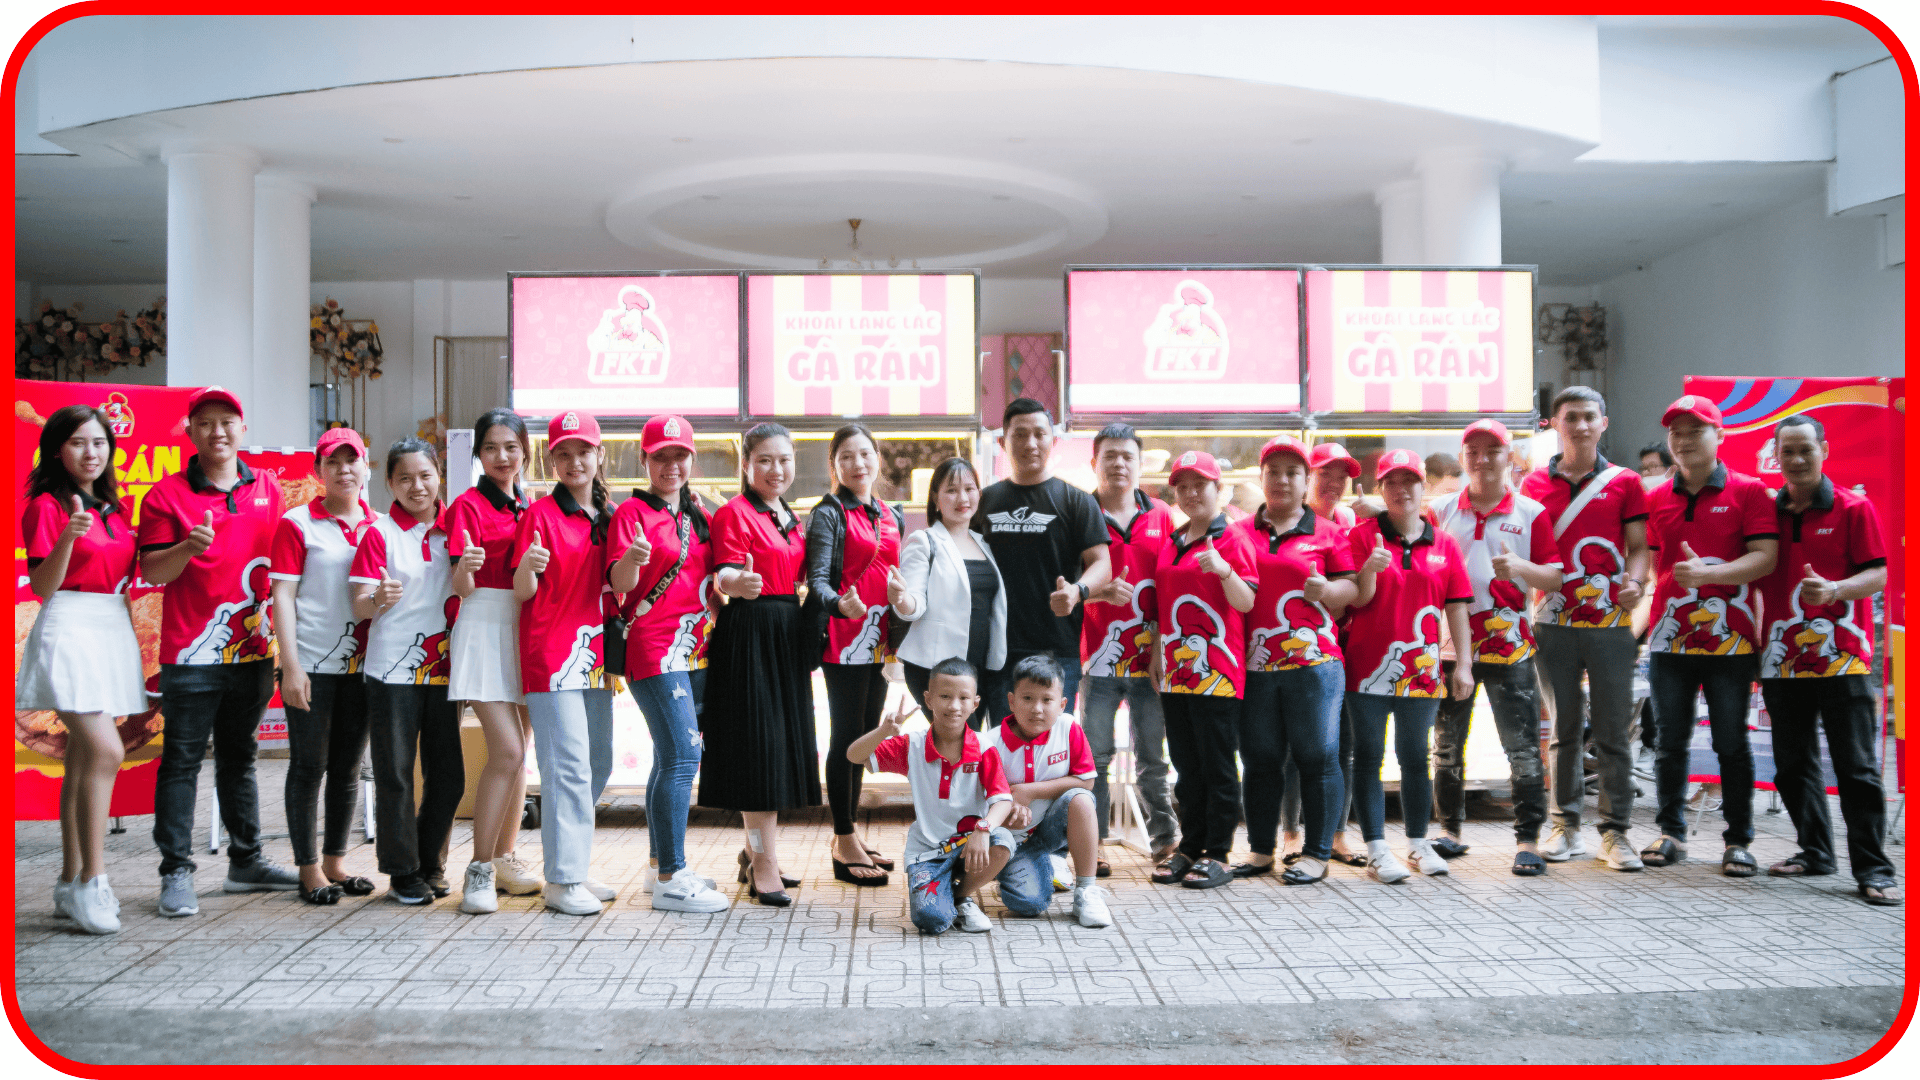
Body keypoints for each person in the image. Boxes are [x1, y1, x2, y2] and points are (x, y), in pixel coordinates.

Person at [137, 386, 298, 916]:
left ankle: (245, 862)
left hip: (253, 650)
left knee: (240, 758)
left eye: (227, 421)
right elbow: (152, 571)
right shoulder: (165, 495)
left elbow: (285, 567)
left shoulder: (267, 487)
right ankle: (175, 872)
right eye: (205, 422)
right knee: (182, 761)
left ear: (242, 429)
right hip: (189, 655)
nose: (218, 431)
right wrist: (187, 547)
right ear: (191, 432)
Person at [1755, 414, 1896, 905]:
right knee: (1792, 766)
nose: (1796, 460)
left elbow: (1878, 574)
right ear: (1775, 456)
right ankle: (1815, 852)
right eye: (1787, 451)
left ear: (1824, 451)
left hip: (1844, 660)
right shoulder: (1764, 514)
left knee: (1856, 768)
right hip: (1780, 659)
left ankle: (1874, 870)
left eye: (1806, 450)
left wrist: (1836, 589)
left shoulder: (1855, 507)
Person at [18, 405, 147, 933]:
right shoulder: (47, 506)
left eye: (99, 442)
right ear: (56, 450)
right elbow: (42, 587)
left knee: (81, 757)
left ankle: (70, 881)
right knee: (106, 750)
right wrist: (69, 536)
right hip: (68, 627)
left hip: (110, 628)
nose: (91, 452)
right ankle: (94, 880)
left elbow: (130, 574)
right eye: (77, 442)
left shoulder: (115, 507)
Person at [1640, 395, 1778, 875]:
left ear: (1720, 436)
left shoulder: (1750, 492)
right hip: (1668, 640)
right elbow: (1654, 565)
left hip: (1732, 642)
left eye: (1695, 430)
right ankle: (1670, 833)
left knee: (1731, 743)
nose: (1683, 440)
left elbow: (1766, 558)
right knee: (1669, 742)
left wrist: (1709, 577)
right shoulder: (1655, 497)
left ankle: (1738, 840)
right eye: (1675, 432)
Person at [1520, 387, 1651, 872]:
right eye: (1570, 417)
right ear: (1555, 424)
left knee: (1615, 729)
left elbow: (1640, 546)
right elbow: (1526, 550)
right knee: (1563, 729)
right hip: (1551, 623)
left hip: (1611, 624)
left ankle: (1616, 833)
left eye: (1589, 417)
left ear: (1603, 423)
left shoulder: (1626, 483)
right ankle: (1564, 826)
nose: (1580, 425)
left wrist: (1635, 582)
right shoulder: (1533, 484)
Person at [1430, 420, 1565, 876]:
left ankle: (1528, 840)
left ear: (1510, 457)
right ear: (1462, 457)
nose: (1483, 459)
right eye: (1473, 451)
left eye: (1493, 450)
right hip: (1451, 648)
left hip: (1512, 648)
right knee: (1447, 747)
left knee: (1522, 749)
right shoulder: (1440, 510)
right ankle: (1450, 832)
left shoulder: (1531, 512)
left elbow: (1555, 577)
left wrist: (1521, 568)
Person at [606, 413, 728, 914]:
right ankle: (672, 877)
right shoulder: (630, 513)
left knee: (667, 756)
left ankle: (661, 864)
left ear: (692, 459)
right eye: (661, 456)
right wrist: (633, 560)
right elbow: (618, 585)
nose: (671, 465)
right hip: (653, 648)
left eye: (680, 456)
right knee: (683, 757)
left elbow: (711, 583)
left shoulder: (700, 514)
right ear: (645, 460)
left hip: (696, 649)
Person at [1229, 435, 1359, 886]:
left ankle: (1318, 853)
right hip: (1254, 665)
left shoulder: (1328, 533)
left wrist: (1329, 590)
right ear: (1261, 478)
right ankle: (1261, 851)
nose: (1282, 480)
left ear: (1306, 481)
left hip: (1315, 666)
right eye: (1274, 472)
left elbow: (1351, 589)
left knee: (1318, 756)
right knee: (1260, 759)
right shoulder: (1237, 532)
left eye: (1292, 473)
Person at [1343, 448, 1475, 884]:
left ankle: (1418, 843)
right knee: (1368, 756)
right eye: (1392, 482)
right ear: (1381, 489)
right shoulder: (1361, 536)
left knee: (1416, 756)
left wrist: (1463, 664)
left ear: (1424, 486)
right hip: (1365, 668)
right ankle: (1376, 849)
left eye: (1410, 481)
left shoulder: (1445, 543)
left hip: (1422, 671)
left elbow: (1457, 607)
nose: (1401, 490)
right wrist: (1369, 570)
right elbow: (1354, 600)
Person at [701, 422, 819, 907]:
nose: (776, 469)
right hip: (749, 632)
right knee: (759, 750)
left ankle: (756, 854)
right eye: (765, 460)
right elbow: (724, 573)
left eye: (784, 460)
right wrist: (737, 583)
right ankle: (763, 863)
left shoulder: (791, 516)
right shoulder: (733, 513)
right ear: (746, 465)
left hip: (786, 632)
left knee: (779, 747)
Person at [512, 411, 622, 915]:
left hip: (596, 657)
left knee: (598, 761)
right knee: (568, 765)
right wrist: (528, 568)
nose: (574, 462)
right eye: (563, 453)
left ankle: (573, 861)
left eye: (583, 452)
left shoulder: (611, 515)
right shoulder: (538, 515)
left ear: (599, 456)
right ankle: (562, 879)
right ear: (550, 460)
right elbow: (521, 591)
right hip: (552, 655)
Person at [349, 438, 463, 904]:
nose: (417, 487)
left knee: (449, 775)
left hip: (446, 670)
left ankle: (430, 861)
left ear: (439, 476)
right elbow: (359, 604)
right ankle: (402, 872)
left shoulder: (457, 527)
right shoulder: (379, 533)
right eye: (405, 479)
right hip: (391, 671)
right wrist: (377, 598)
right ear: (390, 484)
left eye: (425, 476)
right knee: (395, 774)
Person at [269, 427, 379, 906]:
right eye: (332, 462)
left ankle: (336, 861)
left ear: (366, 467)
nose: (343, 470)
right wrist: (291, 666)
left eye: (351, 460)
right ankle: (308, 867)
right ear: (318, 471)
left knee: (348, 767)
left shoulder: (380, 525)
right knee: (309, 765)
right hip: (311, 664)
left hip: (364, 667)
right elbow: (282, 595)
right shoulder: (297, 524)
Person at [446, 409, 544, 913]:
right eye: (490, 448)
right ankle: (478, 869)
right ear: (478, 454)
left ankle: (505, 859)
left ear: (525, 450)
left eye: (511, 447)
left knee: (521, 752)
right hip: (484, 623)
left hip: (526, 623)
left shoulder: (530, 504)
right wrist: (465, 567)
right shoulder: (466, 505)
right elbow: (460, 586)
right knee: (506, 751)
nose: (502, 456)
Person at [1148, 450, 1258, 891]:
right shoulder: (1173, 540)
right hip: (1177, 671)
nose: (1191, 493)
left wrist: (1225, 570)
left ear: (1219, 489)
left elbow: (1247, 602)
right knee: (1186, 765)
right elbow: (1163, 603)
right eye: (1183, 487)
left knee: (1217, 766)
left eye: (1201, 485)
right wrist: (1157, 653)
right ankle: (1190, 847)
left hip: (1219, 674)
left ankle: (1218, 852)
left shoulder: (1232, 539)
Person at [804, 423, 905, 887]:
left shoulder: (890, 513)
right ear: (834, 465)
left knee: (865, 738)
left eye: (864, 454)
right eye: (846, 456)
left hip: (881, 641)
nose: (857, 464)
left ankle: (852, 834)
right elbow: (818, 579)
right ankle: (843, 838)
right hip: (844, 638)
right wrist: (837, 604)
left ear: (876, 458)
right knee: (846, 736)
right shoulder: (829, 513)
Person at [847, 659, 1017, 934]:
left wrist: (983, 828)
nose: (954, 706)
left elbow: (1003, 799)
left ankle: (961, 896)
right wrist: (883, 731)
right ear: (928, 699)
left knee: (1003, 842)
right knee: (931, 920)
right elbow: (854, 756)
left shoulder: (984, 747)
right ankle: (945, 894)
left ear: (975, 703)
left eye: (963, 698)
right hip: (927, 852)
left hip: (970, 843)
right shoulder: (911, 745)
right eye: (945, 696)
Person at [1077, 422, 1178, 872]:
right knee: (1094, 759)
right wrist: (1097, 594)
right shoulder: (1080, 513)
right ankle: (1093, 842)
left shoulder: (1162, 515)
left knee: (1153, 759)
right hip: (1095, 659)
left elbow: (1170, 587)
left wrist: (1160, 647)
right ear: (1094, 462)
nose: (1119, 464)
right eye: (1110, 456)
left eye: (1127, 456)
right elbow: (1067, 587)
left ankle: (1165, 841)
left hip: (1149, 661)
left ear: (1139, 464)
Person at [975, 398, 1112, 717]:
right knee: (1004, 744)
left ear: (1053, 440)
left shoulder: (1076, 501)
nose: (1031, 443)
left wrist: (1078, 591)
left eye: (1039, 434)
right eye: (1020, 434)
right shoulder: (984, 502)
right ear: (1002, 443)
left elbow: (1102, 563)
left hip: (1058, 651)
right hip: (996, 652)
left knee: (1054, 745)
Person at [983, 655, 1112, 927]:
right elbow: (982, 801)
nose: (1037, 709)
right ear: (1011, 701)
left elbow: (1086, 781)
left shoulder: (1068, 728)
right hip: (1013, 839)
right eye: (1028, 698)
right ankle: (1018, 866)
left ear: (1062, 704)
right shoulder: (991, 743)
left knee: (1081, 799)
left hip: (1052, 829)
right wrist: (1009, 808)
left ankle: (1086, 890)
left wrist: (1030, 791)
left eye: (1047, 700)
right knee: (1029, 904)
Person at [893, 456, 1007, 731]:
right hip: (937, 668)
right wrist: (901, 599)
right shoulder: (924, 541)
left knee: (971, 743)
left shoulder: (985, 543)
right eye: (952, 490)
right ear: (936, 498)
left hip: (981, 665)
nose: (962, 498)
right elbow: (914, 602)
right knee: (960, 741)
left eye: (969, 489)